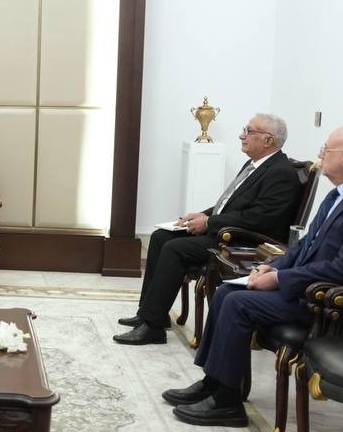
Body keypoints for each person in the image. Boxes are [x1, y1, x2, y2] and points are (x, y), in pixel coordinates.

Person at [163, 126, 343, 427]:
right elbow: (306, 246)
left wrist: (280, 280)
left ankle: (227, 403)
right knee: (227, 292)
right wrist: (274, 267)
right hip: (311, 291)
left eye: (326, 149)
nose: (319, 154)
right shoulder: (341, 194)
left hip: (340, 307)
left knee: (238, 303)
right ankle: (213, 383)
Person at [115, 113, 301, 345]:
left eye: (249, 131)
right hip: (228, 230)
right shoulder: (254, 165)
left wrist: (209, 223)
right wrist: (203, 215)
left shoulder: (281, 173)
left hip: (244, 241)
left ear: (268, 140)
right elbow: (230, 204)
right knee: (161, 237)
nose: (241, 135)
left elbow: (259, 219)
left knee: (175, 248)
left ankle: (153, 329)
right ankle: (151, 313)